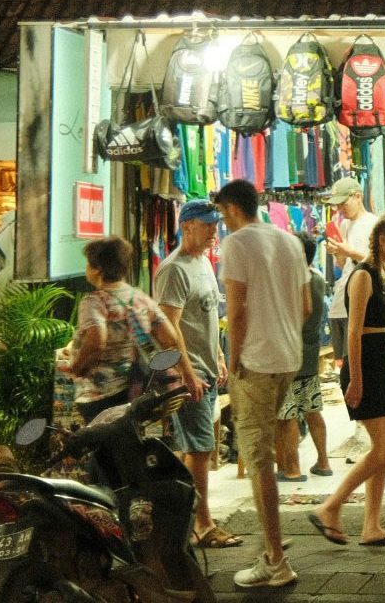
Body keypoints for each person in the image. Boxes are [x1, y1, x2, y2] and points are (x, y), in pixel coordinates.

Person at [215, 178, 310, 590]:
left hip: (255, 361)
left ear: (233, 209)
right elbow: (306, 306)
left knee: (258, 461)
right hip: (289, 358)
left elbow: (235, 311)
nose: (222, 222)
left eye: (221, 214)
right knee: (267, 454)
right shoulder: (289, 242)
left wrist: (233, 358)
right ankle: (271, 543)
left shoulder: (237, 244)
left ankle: (275, 559)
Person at [311, 214, 385, 547]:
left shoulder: (382, 272)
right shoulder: (363, 276)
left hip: (381, 361)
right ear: (382, 239)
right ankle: (330, 507)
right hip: (366, 363)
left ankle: (372, 525)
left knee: (384, 449)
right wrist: (355, 378)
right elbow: (353, 332)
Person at [154, 201, 238, 548]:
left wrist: (218, 354)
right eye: (207, 226)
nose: (213, 233)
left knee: (199, 449)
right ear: (186, 226)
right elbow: (167, 329)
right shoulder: (173, 269)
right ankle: (202, 524)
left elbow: (205, 315)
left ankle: (190, 521)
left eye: (215, 226)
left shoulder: (203, 262)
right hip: (191, 374)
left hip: (205, 368)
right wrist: (186, 373)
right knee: (200, 449)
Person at [67, 236, 203, 423]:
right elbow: (170, 338)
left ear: (97, 269)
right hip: (137, 392)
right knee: (128, 444)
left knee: (102, 448)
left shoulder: (95, 301)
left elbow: (96, 341)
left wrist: (76, 368)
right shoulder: (139, 297)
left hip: (100, 395)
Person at [324, 177, 380, 462]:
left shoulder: (372, 224)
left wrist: (347, 252)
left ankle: (365, 434)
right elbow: (344, 265)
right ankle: (356, 430)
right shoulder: (345, 225)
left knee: (359, 367)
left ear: (357, 196)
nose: (340, 209)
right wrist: (338, 255)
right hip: (339, 302)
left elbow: (377, 260)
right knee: (344, 368)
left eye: (343, 202)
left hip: (358, 303)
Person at [275, 235, 332, 482]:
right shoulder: (318, 278)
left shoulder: (293, 283)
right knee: (311, 410)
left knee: (287, 414)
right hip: (310, 354)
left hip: (289, 355)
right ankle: (323, 461)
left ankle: (293, 469)